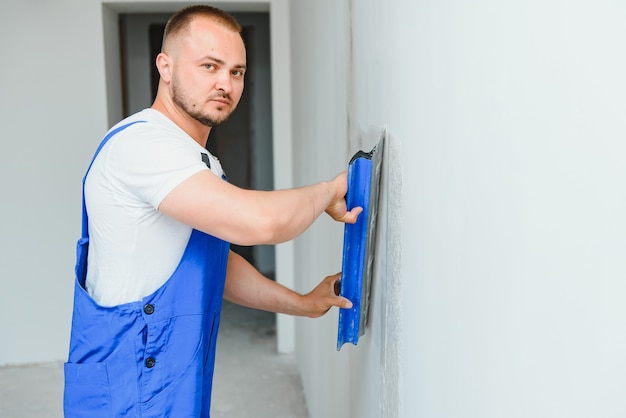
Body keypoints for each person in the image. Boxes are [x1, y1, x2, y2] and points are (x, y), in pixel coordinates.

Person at [63, 5, 360, 418]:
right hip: (130, 383)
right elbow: (259, 223)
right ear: (165, 66)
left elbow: (213, 262)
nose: (225, 83)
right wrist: (329, 190)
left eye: (236, 71)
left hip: (170, 376)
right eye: (210, 66)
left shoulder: (198, 160)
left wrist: (302, 303)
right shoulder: (144, 146)